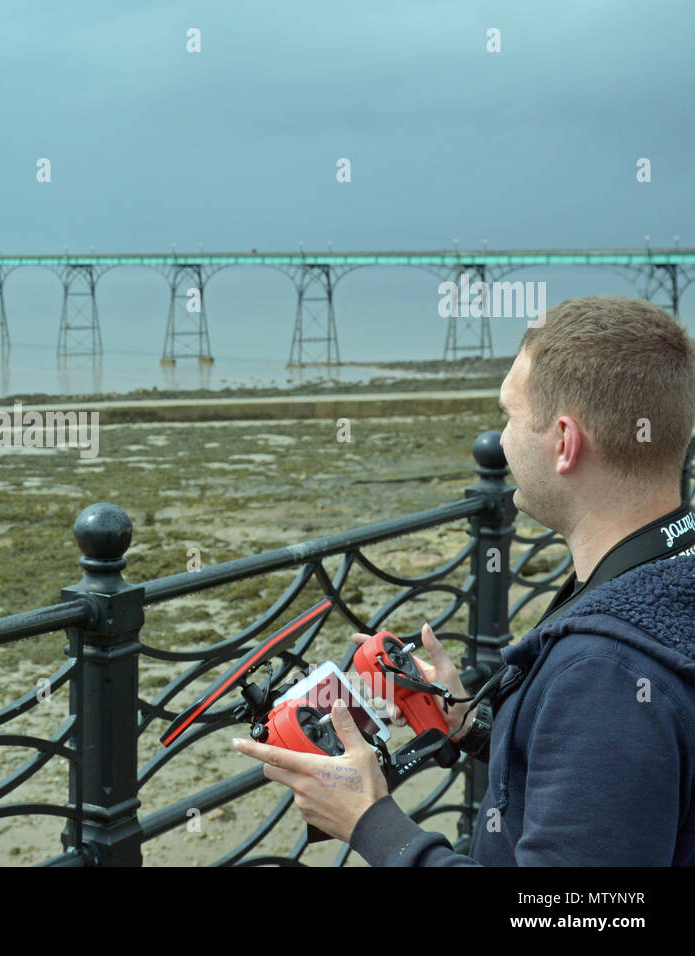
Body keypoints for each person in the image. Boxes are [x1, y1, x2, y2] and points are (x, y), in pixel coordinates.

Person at [233, 295, 695, 865]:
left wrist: (371, 824)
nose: (500, 441)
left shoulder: (606, 676)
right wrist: (472, 725)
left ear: (564, 443)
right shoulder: (661, 577)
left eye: (511, 415)